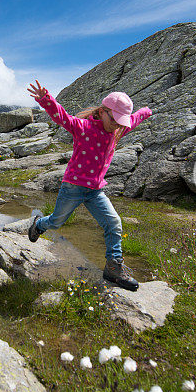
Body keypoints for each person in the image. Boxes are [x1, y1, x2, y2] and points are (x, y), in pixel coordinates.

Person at [26, 80, 152, 291]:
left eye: (122, 123)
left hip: (95, 191)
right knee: (56, 222)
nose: (118, 126)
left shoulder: (116, 130)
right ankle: (39, 225)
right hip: (72, 188)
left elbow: (134, 119)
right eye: (114, 120)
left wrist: (146, 111)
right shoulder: (82, 127)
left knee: (114, 223)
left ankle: (113, 267)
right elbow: (62, 117)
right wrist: (45, 99)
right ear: (102, 111)